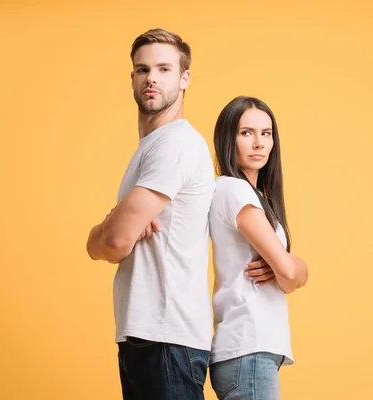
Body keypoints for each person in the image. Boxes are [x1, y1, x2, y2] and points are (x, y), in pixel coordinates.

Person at [85, 29, 214, 399]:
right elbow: (105, 243)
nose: (152, 78)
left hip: (167, 338)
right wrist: (111, 228)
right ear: (133, 79)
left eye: (164, 68)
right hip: (145, 334)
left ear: (184, 77)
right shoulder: (150, 148)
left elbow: (112, 242)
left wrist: (110, 227)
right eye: (143, 70)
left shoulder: (176, 144)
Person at [208, 96, 309, 400]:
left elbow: (290, 272)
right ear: (228, 138)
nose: (258, 143)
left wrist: (288, 267)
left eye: (266, 134)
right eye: (246, 133)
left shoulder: (248, 194)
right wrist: (288, 267)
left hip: (246, 350)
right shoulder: (235, 189)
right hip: (249, 348)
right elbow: (291, 275)